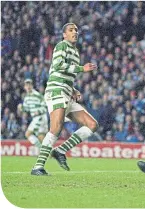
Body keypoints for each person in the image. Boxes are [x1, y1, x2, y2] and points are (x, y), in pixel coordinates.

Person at [31, 23, 98, 176]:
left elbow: (63, 73)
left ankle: (60, 151)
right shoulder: (62, 45)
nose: (75, 32)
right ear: (64, 34)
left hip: (67, 93)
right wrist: (82, 68)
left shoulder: (75, 51)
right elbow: (58, 65)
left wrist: (73, 89)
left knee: (92, 125)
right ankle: (37, 167)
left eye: (76, 30)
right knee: (56, 127)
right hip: (56, 91)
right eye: (71, 30)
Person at [17, 79, 48, 148]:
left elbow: (45, 106)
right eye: (26, 85)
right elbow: (26, 109)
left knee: (28, 134)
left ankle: (42, 150)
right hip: (37, 118)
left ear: (32, 86)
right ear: (24, 87)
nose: (28, 86)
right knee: (41, 137)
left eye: (29, 85)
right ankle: (51, 153)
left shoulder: (37, 95)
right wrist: (21, 108)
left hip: (40, 117)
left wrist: (38, 111)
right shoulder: (27, 98)